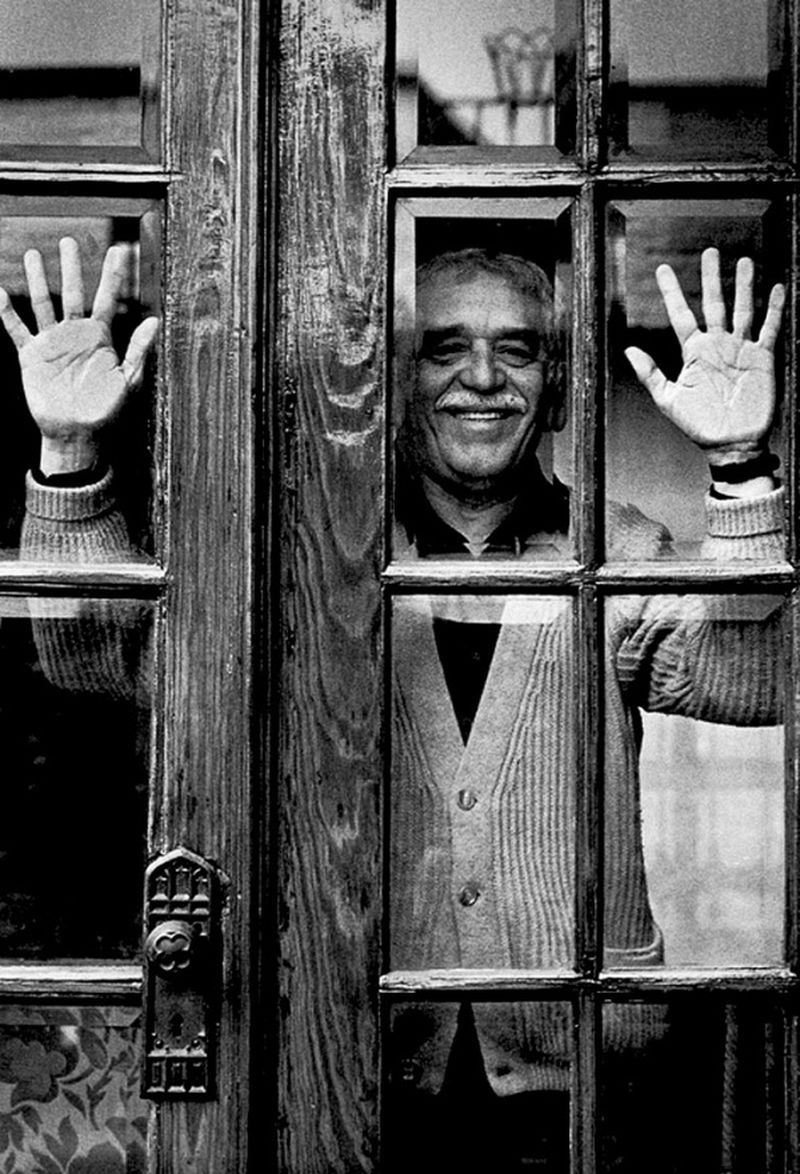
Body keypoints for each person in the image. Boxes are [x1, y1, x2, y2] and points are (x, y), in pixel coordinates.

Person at [0, 238, 787, 1171]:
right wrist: (70, 453)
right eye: (444, 348)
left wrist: (741, 464)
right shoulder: (314, 552)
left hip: (587, 1090)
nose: (482, 378)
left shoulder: (617, 550)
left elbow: (762, 675)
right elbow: (92, 653)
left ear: (557, 388)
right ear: (394, 381)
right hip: (343, 1070)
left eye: (518, 349)